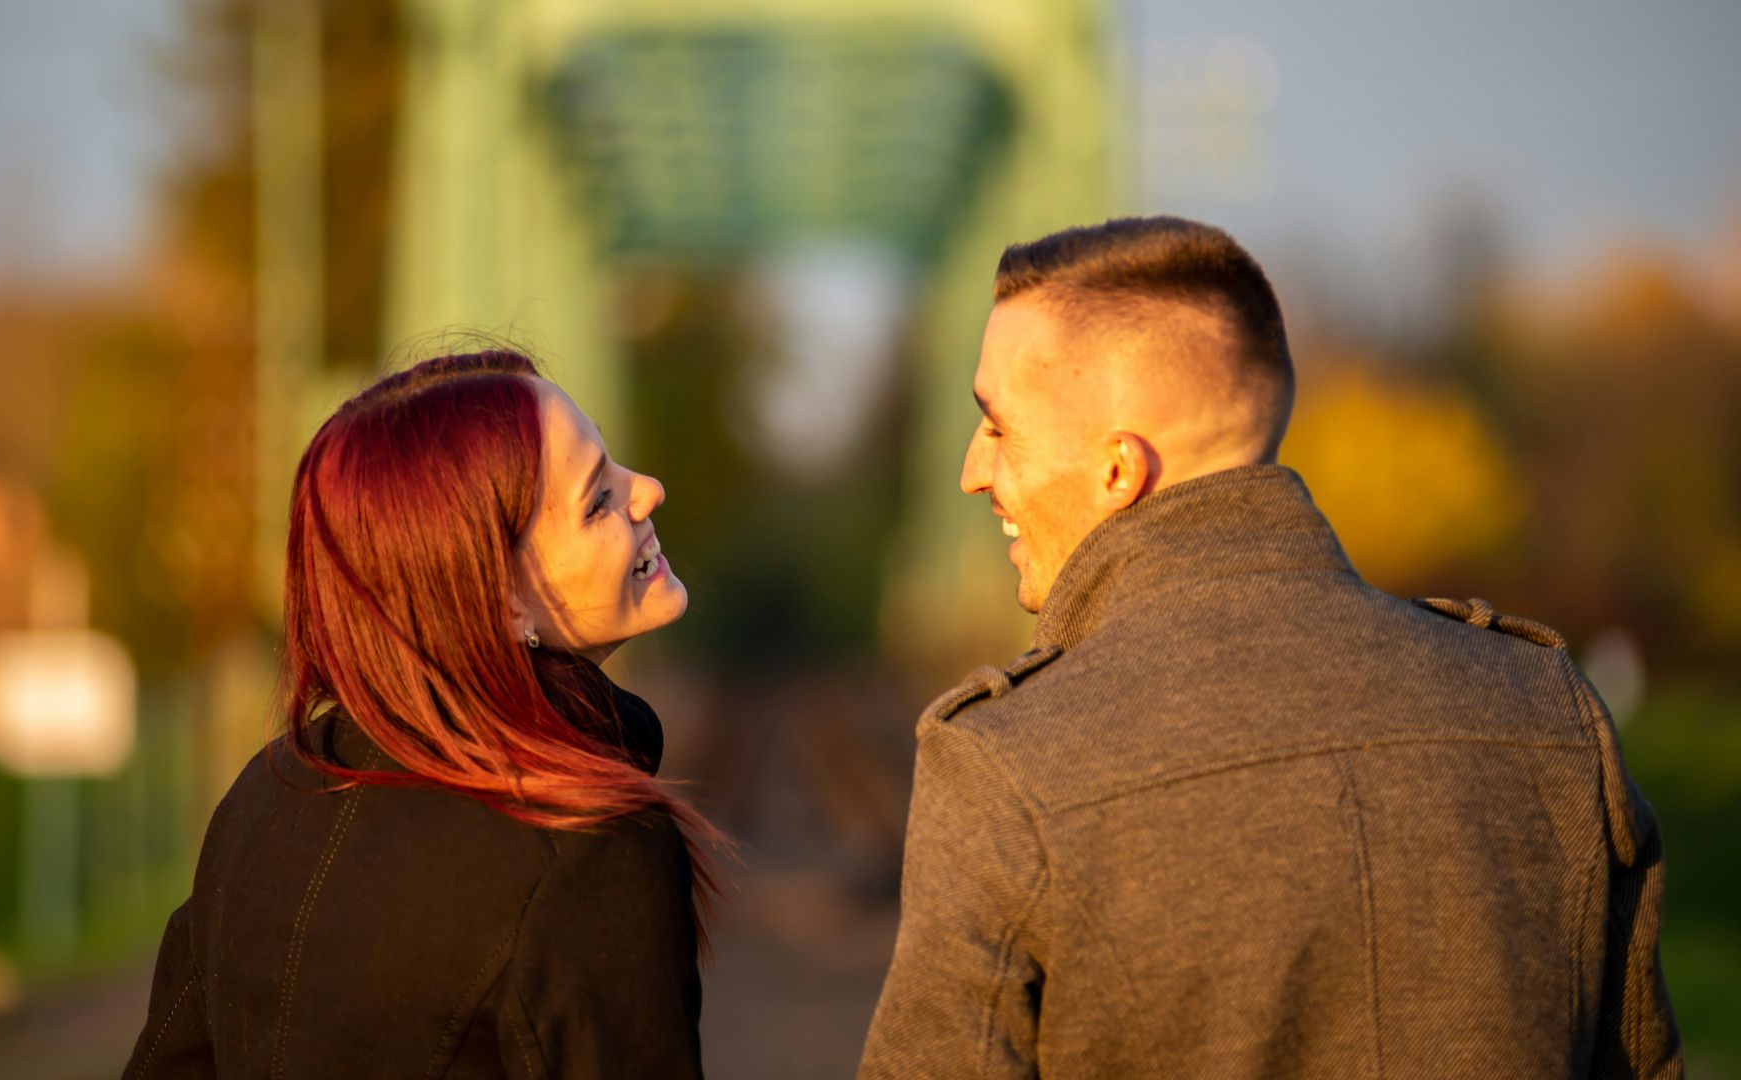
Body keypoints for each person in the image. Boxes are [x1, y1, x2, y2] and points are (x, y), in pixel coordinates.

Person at [860, 218, 1681, 1078]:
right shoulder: (1547, 714)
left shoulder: (1006, 767)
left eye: (997, 427)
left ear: (1118, 470)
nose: (972, 471)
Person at [123, 349, 721, 1079]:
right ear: (498, 601)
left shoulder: (263, 798)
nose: (649, 491)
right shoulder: (590, 848)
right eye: (597, 502)